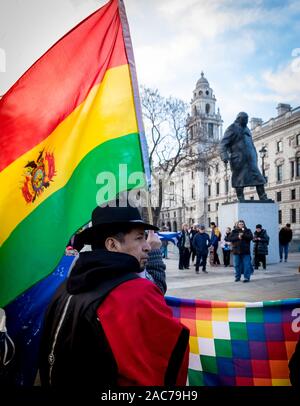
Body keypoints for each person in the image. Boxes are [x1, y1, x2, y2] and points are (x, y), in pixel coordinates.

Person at [39, 203, 190, 388]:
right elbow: (164, 362)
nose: (147, 246)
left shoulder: (64, 287)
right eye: (139, 238)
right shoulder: (137, 293)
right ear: (112, 244)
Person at [219, 112, 268, 202]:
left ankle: (263, 196)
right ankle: (240, 197)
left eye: (247, 119)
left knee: (258, 178)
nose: (246, 121)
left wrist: (254, 156)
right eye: (244, 119)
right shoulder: (232, 128)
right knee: (239, 179)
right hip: (238, 159)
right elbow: (223, 144)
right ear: (239, 119)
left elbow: (250, 143)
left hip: (250, 159)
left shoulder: (247, 129)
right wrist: (224, 155)